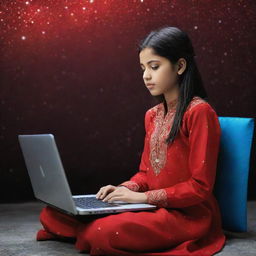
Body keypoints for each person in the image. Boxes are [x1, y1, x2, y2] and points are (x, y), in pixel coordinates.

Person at [36, 26, 226, 255]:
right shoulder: (152, 115)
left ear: (180, 66)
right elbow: (145, 173)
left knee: (101, 233)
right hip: (150, 206)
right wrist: (123, 190)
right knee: (52, 213)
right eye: (143, 68)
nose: (146, 75)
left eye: (154, 67)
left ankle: (93, 230)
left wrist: (143, 197)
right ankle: (94, 227)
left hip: (187, 215)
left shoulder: (199, 112)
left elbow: (200, 187)